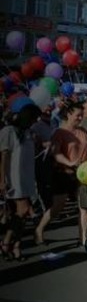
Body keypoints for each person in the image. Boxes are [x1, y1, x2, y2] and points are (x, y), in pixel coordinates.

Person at [35, 102, 87, 245]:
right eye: (77, 115)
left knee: (84, 206)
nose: (80, 118)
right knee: (57, 206)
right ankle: (39, 229)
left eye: (81, 115)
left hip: (83, 174)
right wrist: (70, 163)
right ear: (68, 114)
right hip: (64, 173)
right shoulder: (59, 132)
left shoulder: (83, 131)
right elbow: (56, 153)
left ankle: (83, 238)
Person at [0, 103, 41, 261]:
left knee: (21, 215)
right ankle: (7, 243)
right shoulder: (8, 131)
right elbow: (4, 156)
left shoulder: (28, 132)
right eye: (33, 118)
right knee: (23, 210)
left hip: (27, 178)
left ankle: (13, 245)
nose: (34, 121)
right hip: (13, 178)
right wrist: (2, 179)